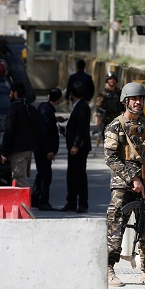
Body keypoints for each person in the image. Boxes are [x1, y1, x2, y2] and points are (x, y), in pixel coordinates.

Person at [104, 82, 145, 287]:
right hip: (123, 185)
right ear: (125, 101)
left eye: (141, 99)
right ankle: (108, 269)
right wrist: (133, 178)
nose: (138, 102)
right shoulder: (116, 126)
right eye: (134, 99)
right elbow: (111, 157)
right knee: (116, 226)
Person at [60, 81, 92, 213]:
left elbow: (81, 129)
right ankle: (72, 201)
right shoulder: (79, 106)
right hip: (76, 147)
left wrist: (75, 144)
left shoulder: (82, 107)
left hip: (79, 148)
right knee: (72, 176)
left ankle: (82, 203)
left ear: (72, 94)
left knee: (79, 176)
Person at [0, 83, 37, 188]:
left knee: (20, 181)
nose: (9, 96)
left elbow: (9, 131)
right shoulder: (30, 108)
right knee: (23, 177)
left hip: (18, 151)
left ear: (15, 93)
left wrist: (4, 151)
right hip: (28, 150)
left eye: (10, 93)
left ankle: (24, 204)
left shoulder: (14, 109)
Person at [32, 88, 63, 210]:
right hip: (44, 150)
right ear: (59, 99)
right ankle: (43, 201)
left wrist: (56, 119)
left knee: (41, 174)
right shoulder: (48, 110)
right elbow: (45, 131)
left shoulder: (43, 107)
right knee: (46, 176)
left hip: (39, 147)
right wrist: (49, 150)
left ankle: (35, 198)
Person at [95, 71, 124, 141]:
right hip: (106, 119)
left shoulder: (119, 92)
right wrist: (99, 119)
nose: (112, 81)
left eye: (113, 79)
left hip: (117, 119)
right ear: (107, 80)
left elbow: (123, 105)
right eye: (110, 79)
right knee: (107, 138)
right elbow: (98, 106)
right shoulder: (103, 93)